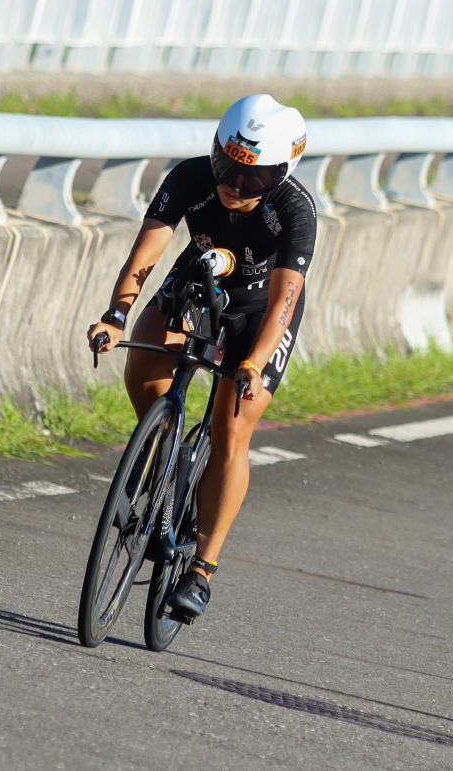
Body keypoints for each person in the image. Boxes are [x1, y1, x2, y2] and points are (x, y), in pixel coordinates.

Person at [87, 95, 315, 621]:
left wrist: (254, 363)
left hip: (260, 313)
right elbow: (144, 254)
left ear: (282, 173)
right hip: (199, 282)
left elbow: (285, 299)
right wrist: (116, 315)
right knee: (143, 355)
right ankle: (161, 450)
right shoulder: (189, 178)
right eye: (226, 166)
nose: (235, 184)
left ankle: (201, 570)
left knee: (233, 424)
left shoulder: (296, 210)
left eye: (254, 179)